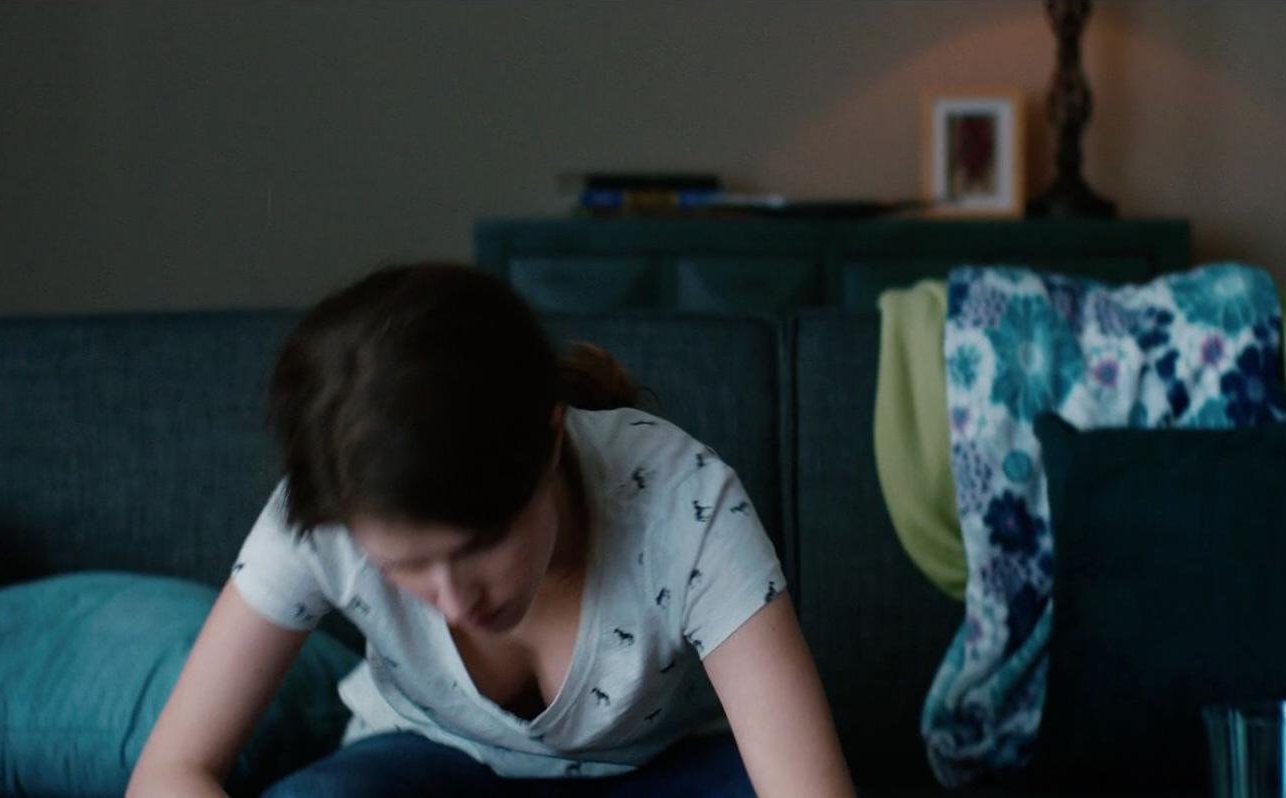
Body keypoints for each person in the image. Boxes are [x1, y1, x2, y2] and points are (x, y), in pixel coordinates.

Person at [127, 263, 855, 797]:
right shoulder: (327, 508)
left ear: (550, 439)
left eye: (479, 546)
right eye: (402, 565)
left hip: (668, 768)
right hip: (427, 761)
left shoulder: (685, 501)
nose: (453, 600)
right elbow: (172, 769)